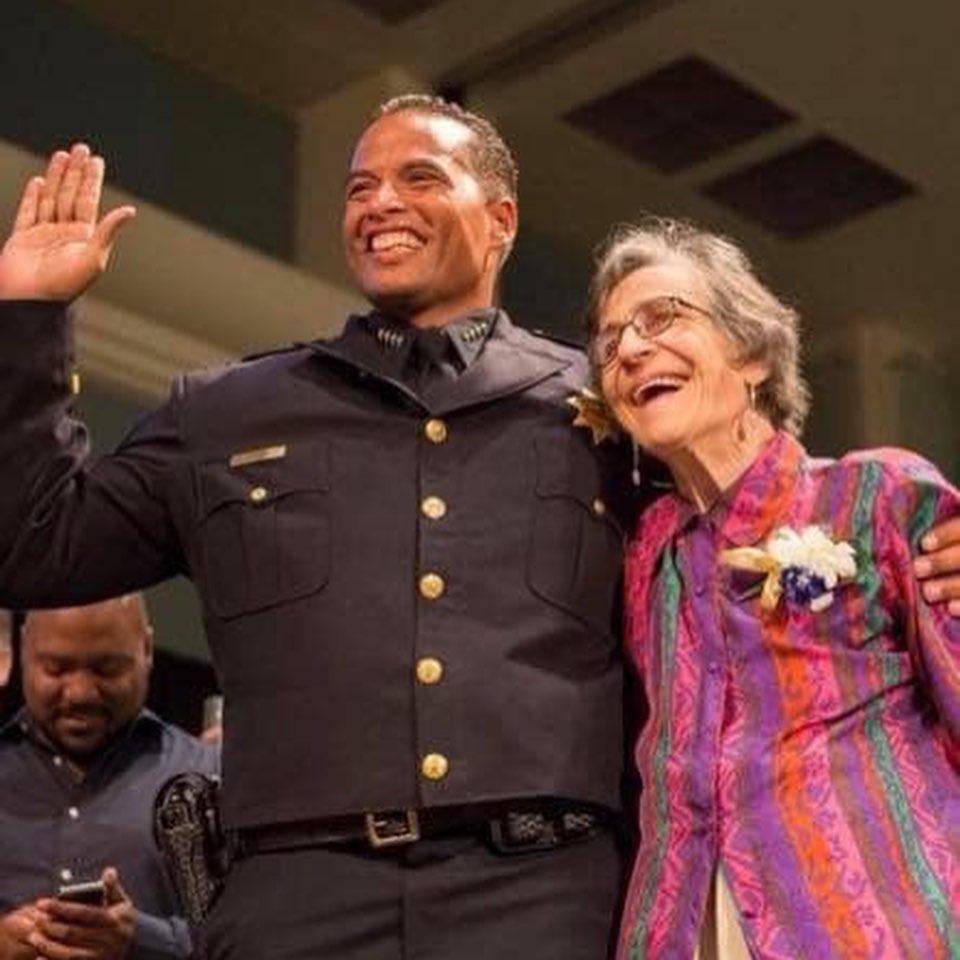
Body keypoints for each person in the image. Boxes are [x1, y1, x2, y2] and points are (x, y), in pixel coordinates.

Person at [0, 96, 957, 959]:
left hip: (542, 902)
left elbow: (760, 528)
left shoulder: (608, 411)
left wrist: (933, 554)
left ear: (501, 219)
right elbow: (38, 544)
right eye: (360, 185)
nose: (381, 202)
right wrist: (29, 321)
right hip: (297, 906)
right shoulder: (231, 412)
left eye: (421, 176)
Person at [588, 218, 960, 959]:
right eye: (610, 341)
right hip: (680, 929)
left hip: (870, 926)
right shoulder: (642, 555)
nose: (630, 349)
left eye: (662, 317)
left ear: (752, 353)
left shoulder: (877, 497)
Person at [0, 595, 218, 960]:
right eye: (56, 668)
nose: (81, 693)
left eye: (107, 669)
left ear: (147, 650)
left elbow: (252, 936)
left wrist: (142, 939)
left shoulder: (206, 778)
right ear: (23, 651)